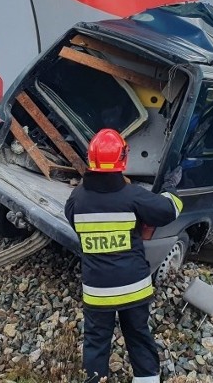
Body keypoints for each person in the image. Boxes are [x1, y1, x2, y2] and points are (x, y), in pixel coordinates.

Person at [65, 128, 183, 383]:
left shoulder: (76, 199)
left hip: (97, 290)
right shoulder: (133, 196)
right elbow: (168, 210)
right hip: (134, 287)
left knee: (96, 343)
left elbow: (76, 226)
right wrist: (170, 188)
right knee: (138, 336)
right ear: (123, 159)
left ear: (91, 159)